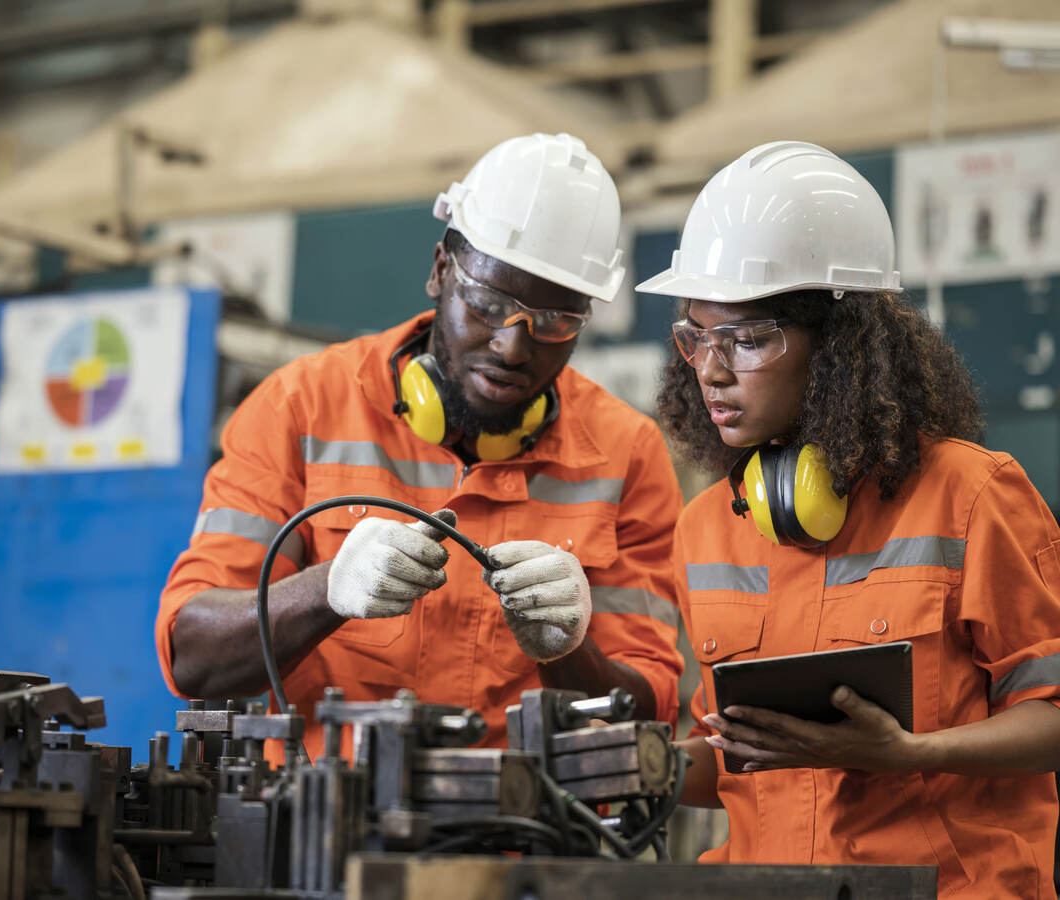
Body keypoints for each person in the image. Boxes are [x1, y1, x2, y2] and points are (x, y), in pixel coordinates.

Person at [156, 132, 685, 760]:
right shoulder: (300, 408)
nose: (513, 347)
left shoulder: (625, 454)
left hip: (526, 838)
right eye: (488, 304)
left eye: (554, 322)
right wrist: (326, 589)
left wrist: (570, 649)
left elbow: (647, 711)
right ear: (440, 272)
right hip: (321, 832)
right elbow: (193, 656)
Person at [641, 140, 1060, 898]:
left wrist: (909, 755)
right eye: (696, 334)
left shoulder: (971, 495)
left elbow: (1052, 720)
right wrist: (634, 764)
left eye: (748, 338)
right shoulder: (709, 525)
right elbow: (737, 759)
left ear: (839, 347)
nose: (710, 367)